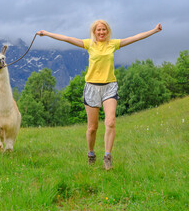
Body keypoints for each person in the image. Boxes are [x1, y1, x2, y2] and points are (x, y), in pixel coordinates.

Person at [37, 20, 162, 170]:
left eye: (104, 30)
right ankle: (91, 154)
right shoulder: (89, 44)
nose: (101, 32)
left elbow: (136, 37)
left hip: (109, 87)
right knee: (92, 128)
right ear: (94, 32)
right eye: (99, 30)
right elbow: (66, 38)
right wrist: (46, 33)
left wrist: (154, 30)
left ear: (107, 31)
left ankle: (107, 157)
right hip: (91, 88)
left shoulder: (113, 44)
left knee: (110, 122)